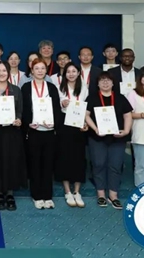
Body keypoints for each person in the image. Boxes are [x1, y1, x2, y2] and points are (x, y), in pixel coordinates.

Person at [84, 71, 133, 209]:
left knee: (115, 165)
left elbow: (128, 115)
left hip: (117, 137)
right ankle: (100, 194)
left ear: (113, 83)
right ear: (97, 84)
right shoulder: (92, 97)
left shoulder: (120, 98)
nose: (105, 83)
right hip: (97, 137)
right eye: (102, 80)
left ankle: (113, 195)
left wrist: (126, 130)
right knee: (98, 164)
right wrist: (95, 129)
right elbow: (86, 115)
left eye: (108, 80)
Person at [0, 61, 26, 211]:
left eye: (4, 70)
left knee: (10, 160)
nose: (1, 73)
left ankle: (9, 193)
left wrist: (19, 119)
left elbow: (20, 110)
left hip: (11, 132)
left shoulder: (16, 90)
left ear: (8, 72)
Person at [21, 58, 62, 209]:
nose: (39, 71)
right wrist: (28, 122)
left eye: (42, 68)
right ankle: (37, 195)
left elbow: (57, 109)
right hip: (33, 131)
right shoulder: (26, 87)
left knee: (48, 163)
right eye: (36, 68)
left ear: (46, 71)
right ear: (32, 71)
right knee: (35, 164)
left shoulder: (51, 87)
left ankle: (47, 195)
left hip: (49, 131)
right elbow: (23, 109)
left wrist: (54, 123)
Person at [56, 62, 88, 208]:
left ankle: (77, 191)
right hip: (64, 123)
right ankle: (67, 191)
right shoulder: (60, 87)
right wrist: (62, 103)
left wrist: (85, 123)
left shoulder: (84, 88)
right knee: (64, 155)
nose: (71, 74)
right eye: (68, 71)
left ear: (78, 73)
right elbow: (56, 104)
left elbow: (86, 107)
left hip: (79, 123)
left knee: (79, 156)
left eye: (74, 71)